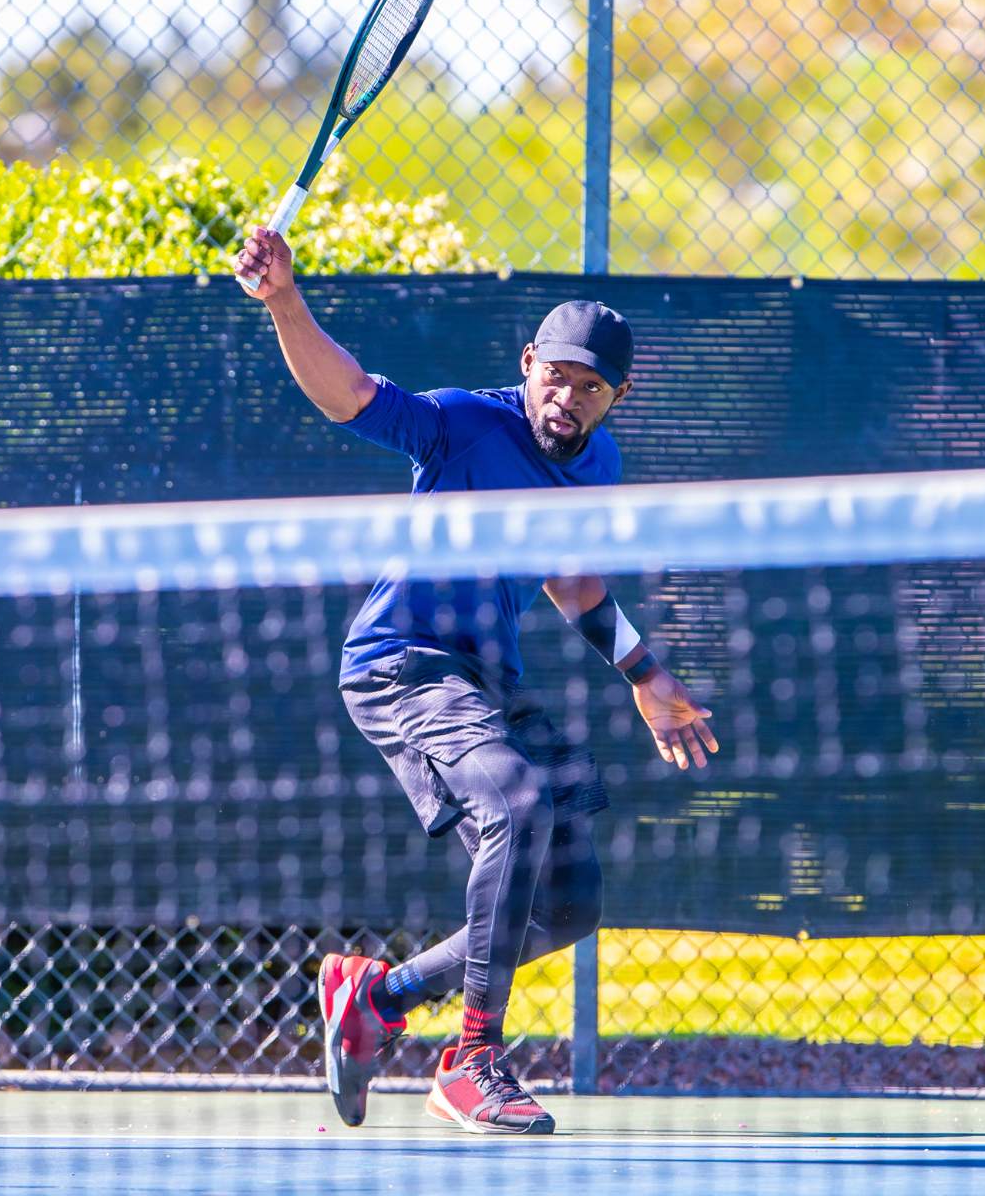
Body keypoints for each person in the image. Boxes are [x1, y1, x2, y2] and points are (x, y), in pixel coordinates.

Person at [235, 227, 720, 1135]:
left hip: (486, 679)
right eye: (556, 375)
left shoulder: (597, 466)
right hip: (402, 664)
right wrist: (285, 301)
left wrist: (644, 673)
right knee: (517, 801)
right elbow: (349, 396)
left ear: (617, 396)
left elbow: (568, 576)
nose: (566, 398)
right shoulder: (465, 423)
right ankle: (471, 1060)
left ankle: (377, 999)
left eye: (589, 386)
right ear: (527, 362)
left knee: (573, 900)